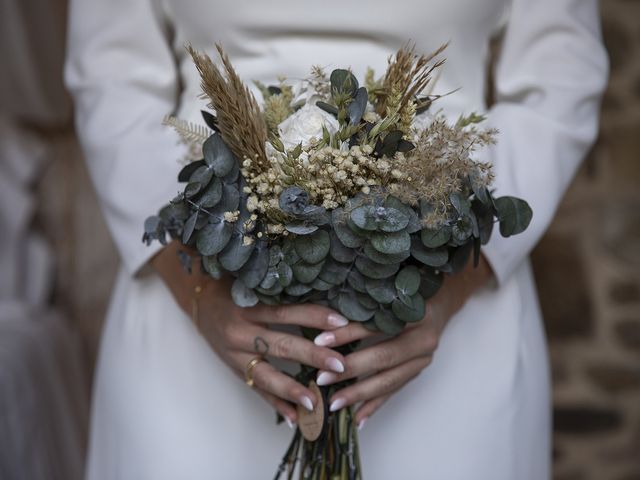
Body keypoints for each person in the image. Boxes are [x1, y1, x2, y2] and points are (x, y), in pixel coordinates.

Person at [65, 0, 608, 478]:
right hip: (194, 302)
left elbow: (560, 76)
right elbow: (112, 77)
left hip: (448, 312)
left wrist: (448, 293)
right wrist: (198, 296)